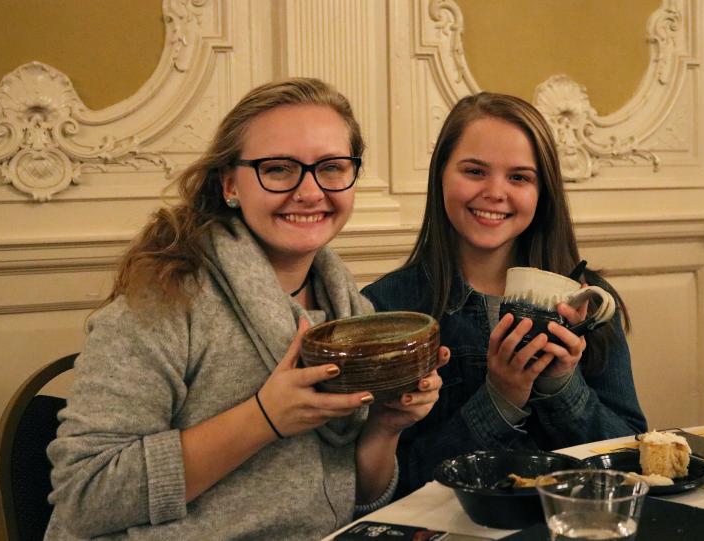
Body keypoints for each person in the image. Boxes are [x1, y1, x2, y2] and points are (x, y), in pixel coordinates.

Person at [44, 78, 447, 540]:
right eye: (278, 169)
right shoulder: (162, 301)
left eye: (332, 167)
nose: (311, 192)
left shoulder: (352, 311)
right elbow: (86, 496)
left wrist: (385, 427)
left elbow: (349, 502)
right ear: (231, 184)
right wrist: (265, 417)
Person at [361, 92, 647, 496]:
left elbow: (632, 458)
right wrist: (500, 399)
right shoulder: (388, 308)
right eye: (475, 171)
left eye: (519, 177)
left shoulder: (590, 300)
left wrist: (562, 386)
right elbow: (395, 484)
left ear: (542, 192)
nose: (496, 192)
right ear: (441, 174)